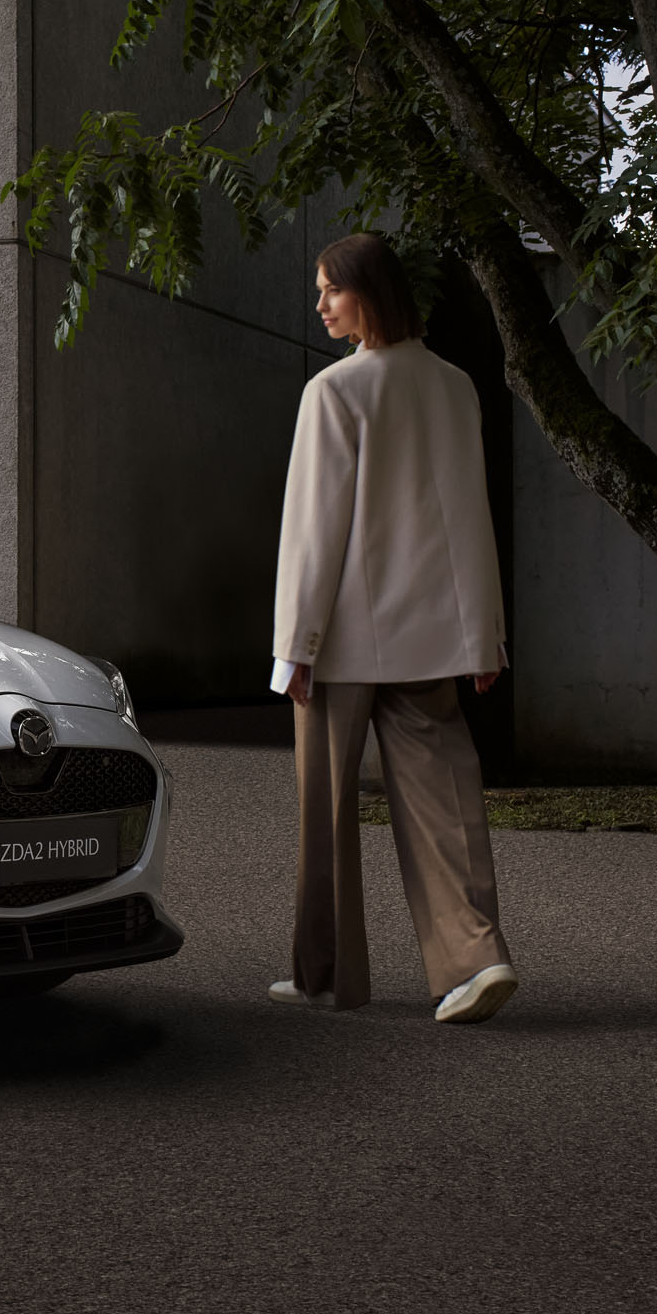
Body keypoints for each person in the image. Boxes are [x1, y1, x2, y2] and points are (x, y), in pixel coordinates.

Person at [269, 233, 518, 1024]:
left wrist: (292, 648)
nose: (319, 306)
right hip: (428, 638)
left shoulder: (333, 391)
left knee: (325, 813)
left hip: (337, 643)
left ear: (365, 293)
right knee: (447, 802)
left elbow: (313, 533)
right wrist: (481, 636)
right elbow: (469, 520)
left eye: (328, 291)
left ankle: (326, 976)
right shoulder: (455, 387)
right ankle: (474, 962)